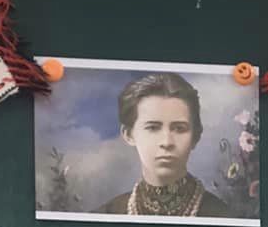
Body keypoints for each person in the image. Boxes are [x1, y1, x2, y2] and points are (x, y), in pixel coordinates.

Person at [99, 71, 231, 219]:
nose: (166, 142)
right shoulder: (105, 215)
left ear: (195, 137)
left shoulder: (224, 217)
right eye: (152, 128)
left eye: (179, 128)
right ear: (128, 134)